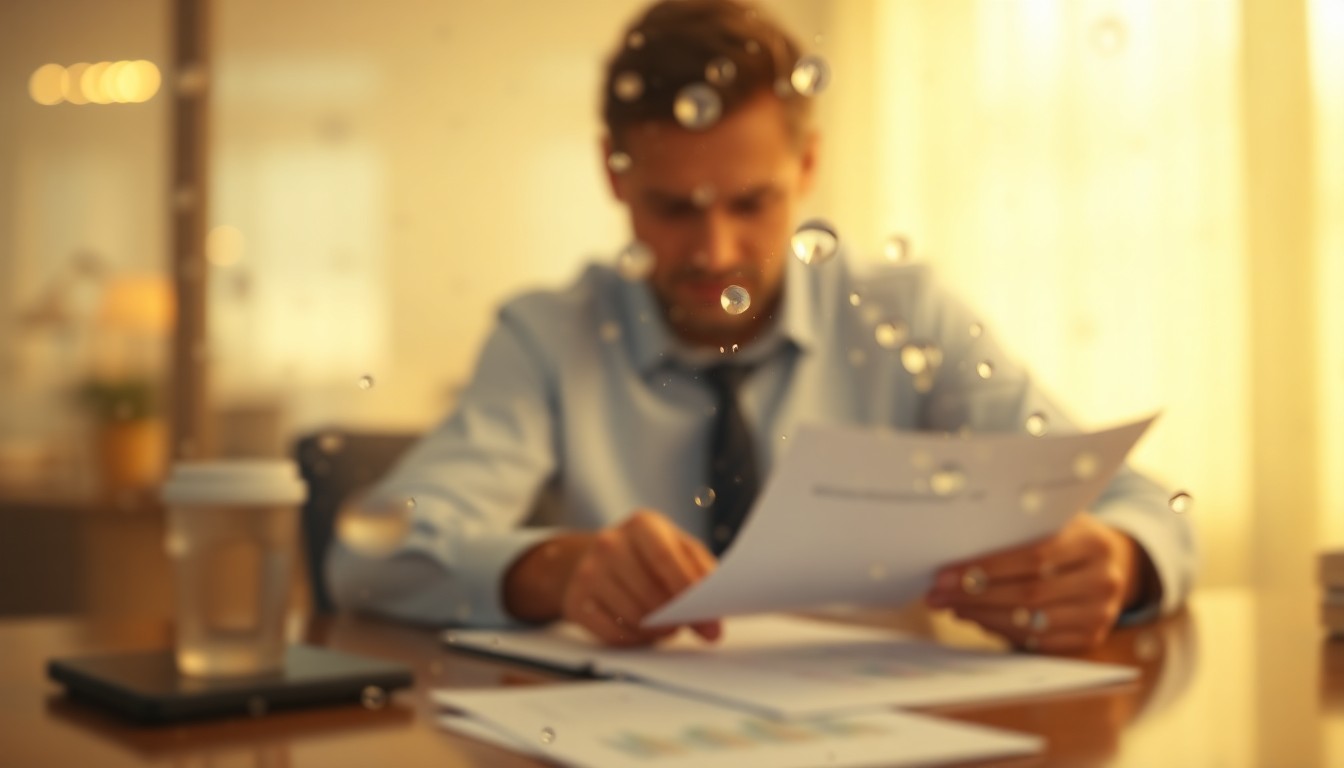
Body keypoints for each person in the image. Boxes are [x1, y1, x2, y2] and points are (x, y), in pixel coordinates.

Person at [328, 0, 1196, 653]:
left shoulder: (904, 315)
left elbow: (1140, 502)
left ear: (807, 165)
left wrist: (1120, 558)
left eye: (753, 202)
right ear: (615, 174)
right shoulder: (547, 337)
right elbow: (371, 555)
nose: (715, 250)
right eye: (674, 207)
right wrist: (559, 569)